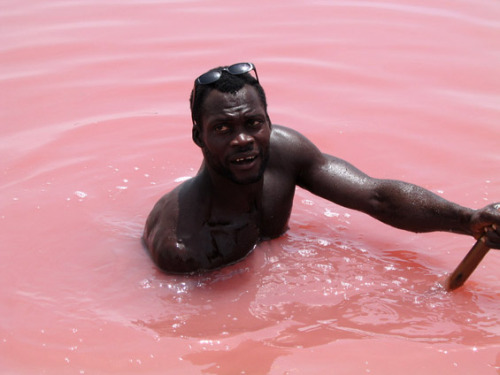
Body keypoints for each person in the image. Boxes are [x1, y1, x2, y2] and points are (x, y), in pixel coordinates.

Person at [143, 62, 500, 274]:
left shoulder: (284, 150)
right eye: (223, 129)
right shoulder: (181, 245)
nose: (242, 139)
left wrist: (468, 221)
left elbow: (377, 197)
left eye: (253, 123)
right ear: (197, 136)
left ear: (269, 122)